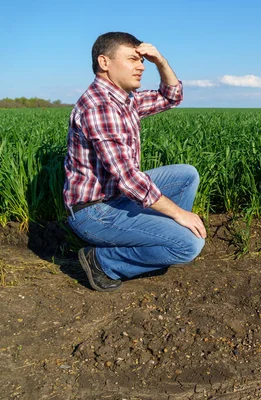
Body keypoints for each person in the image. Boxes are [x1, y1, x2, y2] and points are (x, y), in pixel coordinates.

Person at [63, 32, 206, 292]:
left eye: (142, 60)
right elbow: (129, 179)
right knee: (189, 245)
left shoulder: (125, 99)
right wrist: (179, 214)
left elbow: (172, 96)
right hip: (94, 213)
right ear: (104, 62)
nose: (141, 66)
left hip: (115, 198)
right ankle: (104, 262)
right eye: (133, 59)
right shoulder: (100, 106)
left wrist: (160, 61)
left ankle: (158, 243)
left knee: (186, 175)